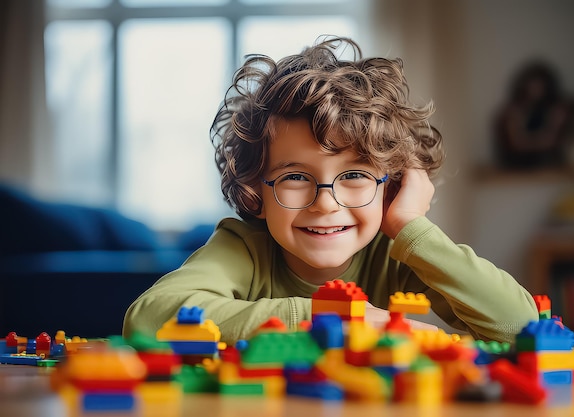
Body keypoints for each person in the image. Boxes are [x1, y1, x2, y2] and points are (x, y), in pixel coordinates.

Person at [123, 36, 538, 345]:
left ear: (391, 186)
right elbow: (146, 319)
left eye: (355, 175)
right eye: (296, 177)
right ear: (256, 190)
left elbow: (522, 327)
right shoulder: (245, 247)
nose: (325, 203)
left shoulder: (397, 254)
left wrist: (410, 226)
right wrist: (329, 317)